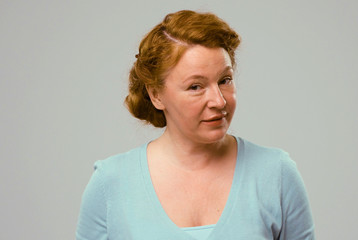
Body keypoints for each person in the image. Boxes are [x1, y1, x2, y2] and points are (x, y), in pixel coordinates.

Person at [76, 10, 315, 240]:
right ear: (156, 95)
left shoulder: (277, 174)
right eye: (195, 86)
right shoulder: (110, 183)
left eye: (225, 80)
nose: (219, 101)